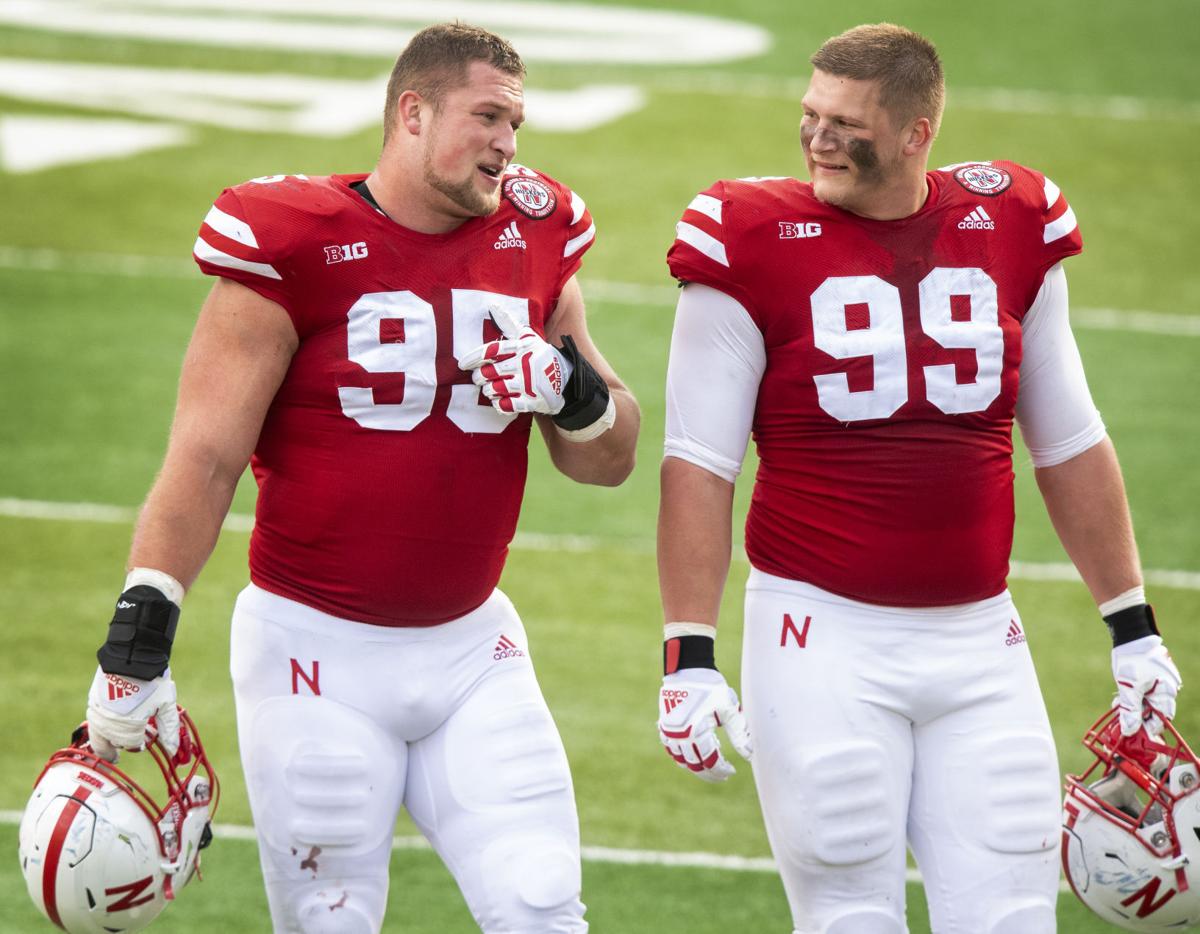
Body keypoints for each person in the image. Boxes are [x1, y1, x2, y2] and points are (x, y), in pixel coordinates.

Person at [83, 22, 639, 933]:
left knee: (544, 907)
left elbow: (609, 459)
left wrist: (572, 392)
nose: (508, 143)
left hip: (473, 651)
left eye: (517, 122)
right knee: (332, 919)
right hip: (316, 654)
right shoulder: (293, 238)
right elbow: (206, 455)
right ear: (412, 114)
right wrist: (137, 638)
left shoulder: (537, 235)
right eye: (487, 116)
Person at [655, 22, 1182, 934]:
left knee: (1016, 917)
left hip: (981, 638)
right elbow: (700, 462)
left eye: (847, 122)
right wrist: (688, 654)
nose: (819, 138)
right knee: (850, 916)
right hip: (821, 637)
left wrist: (1132, 628)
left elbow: (1068, 440)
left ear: (917, 131)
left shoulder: (1011, 219)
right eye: (811, 114)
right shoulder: (746, 234)